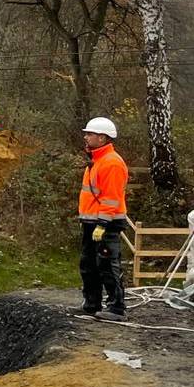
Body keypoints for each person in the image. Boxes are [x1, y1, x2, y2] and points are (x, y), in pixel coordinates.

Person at [78, 117, 129, 321]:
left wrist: (103, 223)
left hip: (106, 224)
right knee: (88, 265)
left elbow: (111, 197)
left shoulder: (112, 163)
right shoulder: (97, 161)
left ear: (102, 137)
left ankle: (116, 308)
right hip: (92, 222)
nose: (86, 137)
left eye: (90, 134)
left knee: (107, 266)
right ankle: (92, 303)